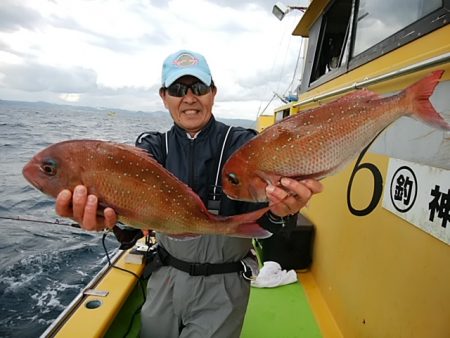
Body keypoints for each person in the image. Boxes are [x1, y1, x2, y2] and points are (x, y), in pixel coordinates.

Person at [55, 50, 323, 337]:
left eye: (199, 87)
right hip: (164, 279)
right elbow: (132, 227)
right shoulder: (152, 149)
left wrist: (283, 211)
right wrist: (107, 216)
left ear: (213, 93)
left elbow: (267, 223)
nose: (189, 97)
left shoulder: (243, 145)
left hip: (224, 285)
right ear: (164, 96)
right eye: (177, 89)